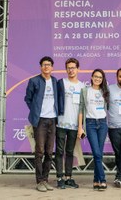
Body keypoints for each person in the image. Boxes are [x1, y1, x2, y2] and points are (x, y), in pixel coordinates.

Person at [24, 56, 59, 192]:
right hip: (40, 121)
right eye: (44, 65)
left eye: (49, 65)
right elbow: (28, 99)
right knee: (40, 152)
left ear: (52, 67)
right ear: (40, 67)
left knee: (49, 152)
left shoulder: (55, 81)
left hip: (52, 120)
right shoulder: (34, 81)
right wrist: (35, 112)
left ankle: (45, 180)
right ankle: (39, 181)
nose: (46, 67)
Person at [78, 69, 109, 191]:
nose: (97, 79)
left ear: (102, 79)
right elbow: (81, 109)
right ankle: (103, 180)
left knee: (99, 154)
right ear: (91, 77)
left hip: (102, 123)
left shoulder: (105, 91)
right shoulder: (85, 91)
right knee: (96, 153)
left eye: (100, 77)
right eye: (95, 76)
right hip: (90, 124)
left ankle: (96, 180)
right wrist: (80, 127)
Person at [55, 58, 84, 189]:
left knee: (70, 152)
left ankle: (69, 177)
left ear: (78, 69)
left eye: (73, 67)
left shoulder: (82, 86)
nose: (71, 70)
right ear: (66, 69)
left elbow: (82, 108)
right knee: (60, 151)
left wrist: (80, 126)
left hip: (74, 125)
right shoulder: (61, 83)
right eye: (68, 68)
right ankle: (59, 177)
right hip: (61, 123)